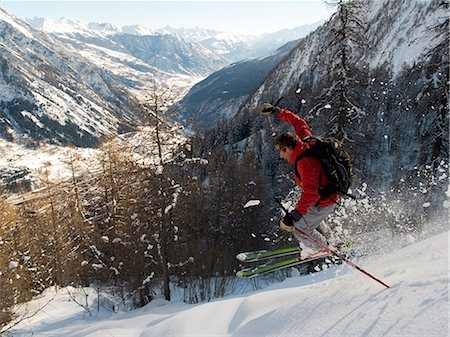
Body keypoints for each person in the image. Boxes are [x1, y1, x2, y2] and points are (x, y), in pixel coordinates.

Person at [260, 102, 342, 258]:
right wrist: (277, 111)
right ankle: (332, 239)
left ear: (290, 147)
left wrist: (294, 217)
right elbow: (298, 122)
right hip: (329, 194)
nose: (281, 155)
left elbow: (312, 193)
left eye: (282, 150)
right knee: (306, 214)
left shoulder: (304, 162)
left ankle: (325, 249)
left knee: (300, 229)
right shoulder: (306, 141)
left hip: (325, 200)